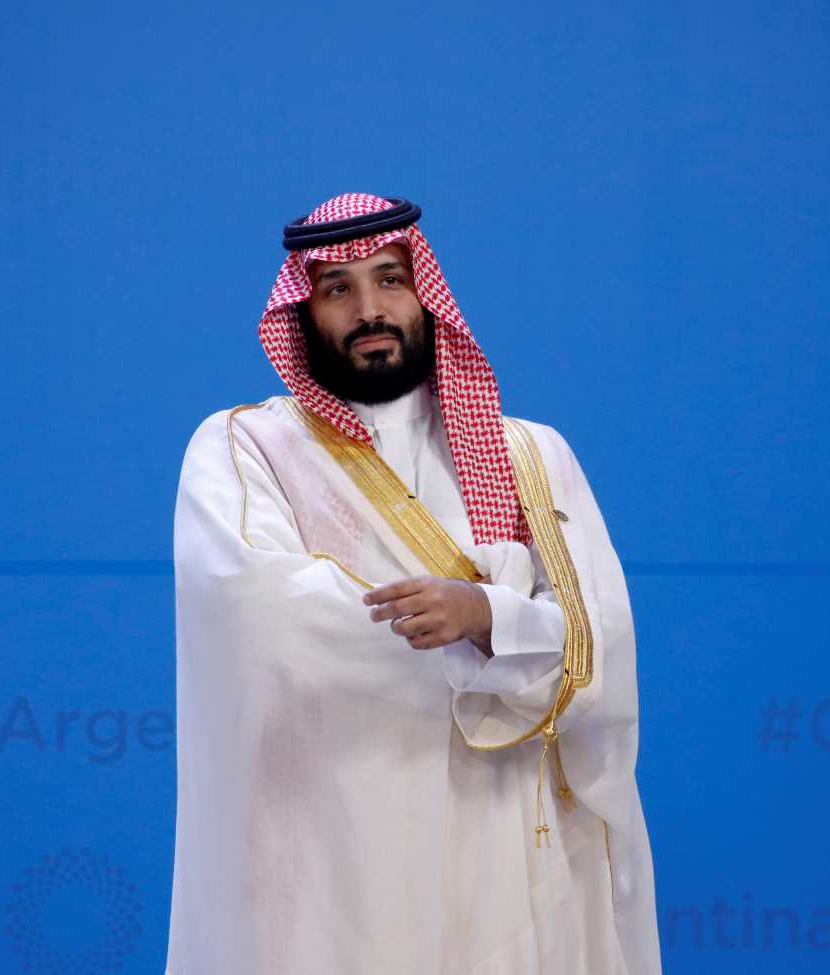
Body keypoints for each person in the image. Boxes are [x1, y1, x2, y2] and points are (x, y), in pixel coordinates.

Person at [166, 192, 661, 974]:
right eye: (338, 288)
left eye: (390, 279)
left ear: (425, 292)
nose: (370, 309)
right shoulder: (247, 450)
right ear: (304, 312)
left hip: (506, 845)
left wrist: (484, 615)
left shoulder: (532, 457)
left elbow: (597, 640)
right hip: (340, 853)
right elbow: (259, 618)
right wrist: (489, 643)